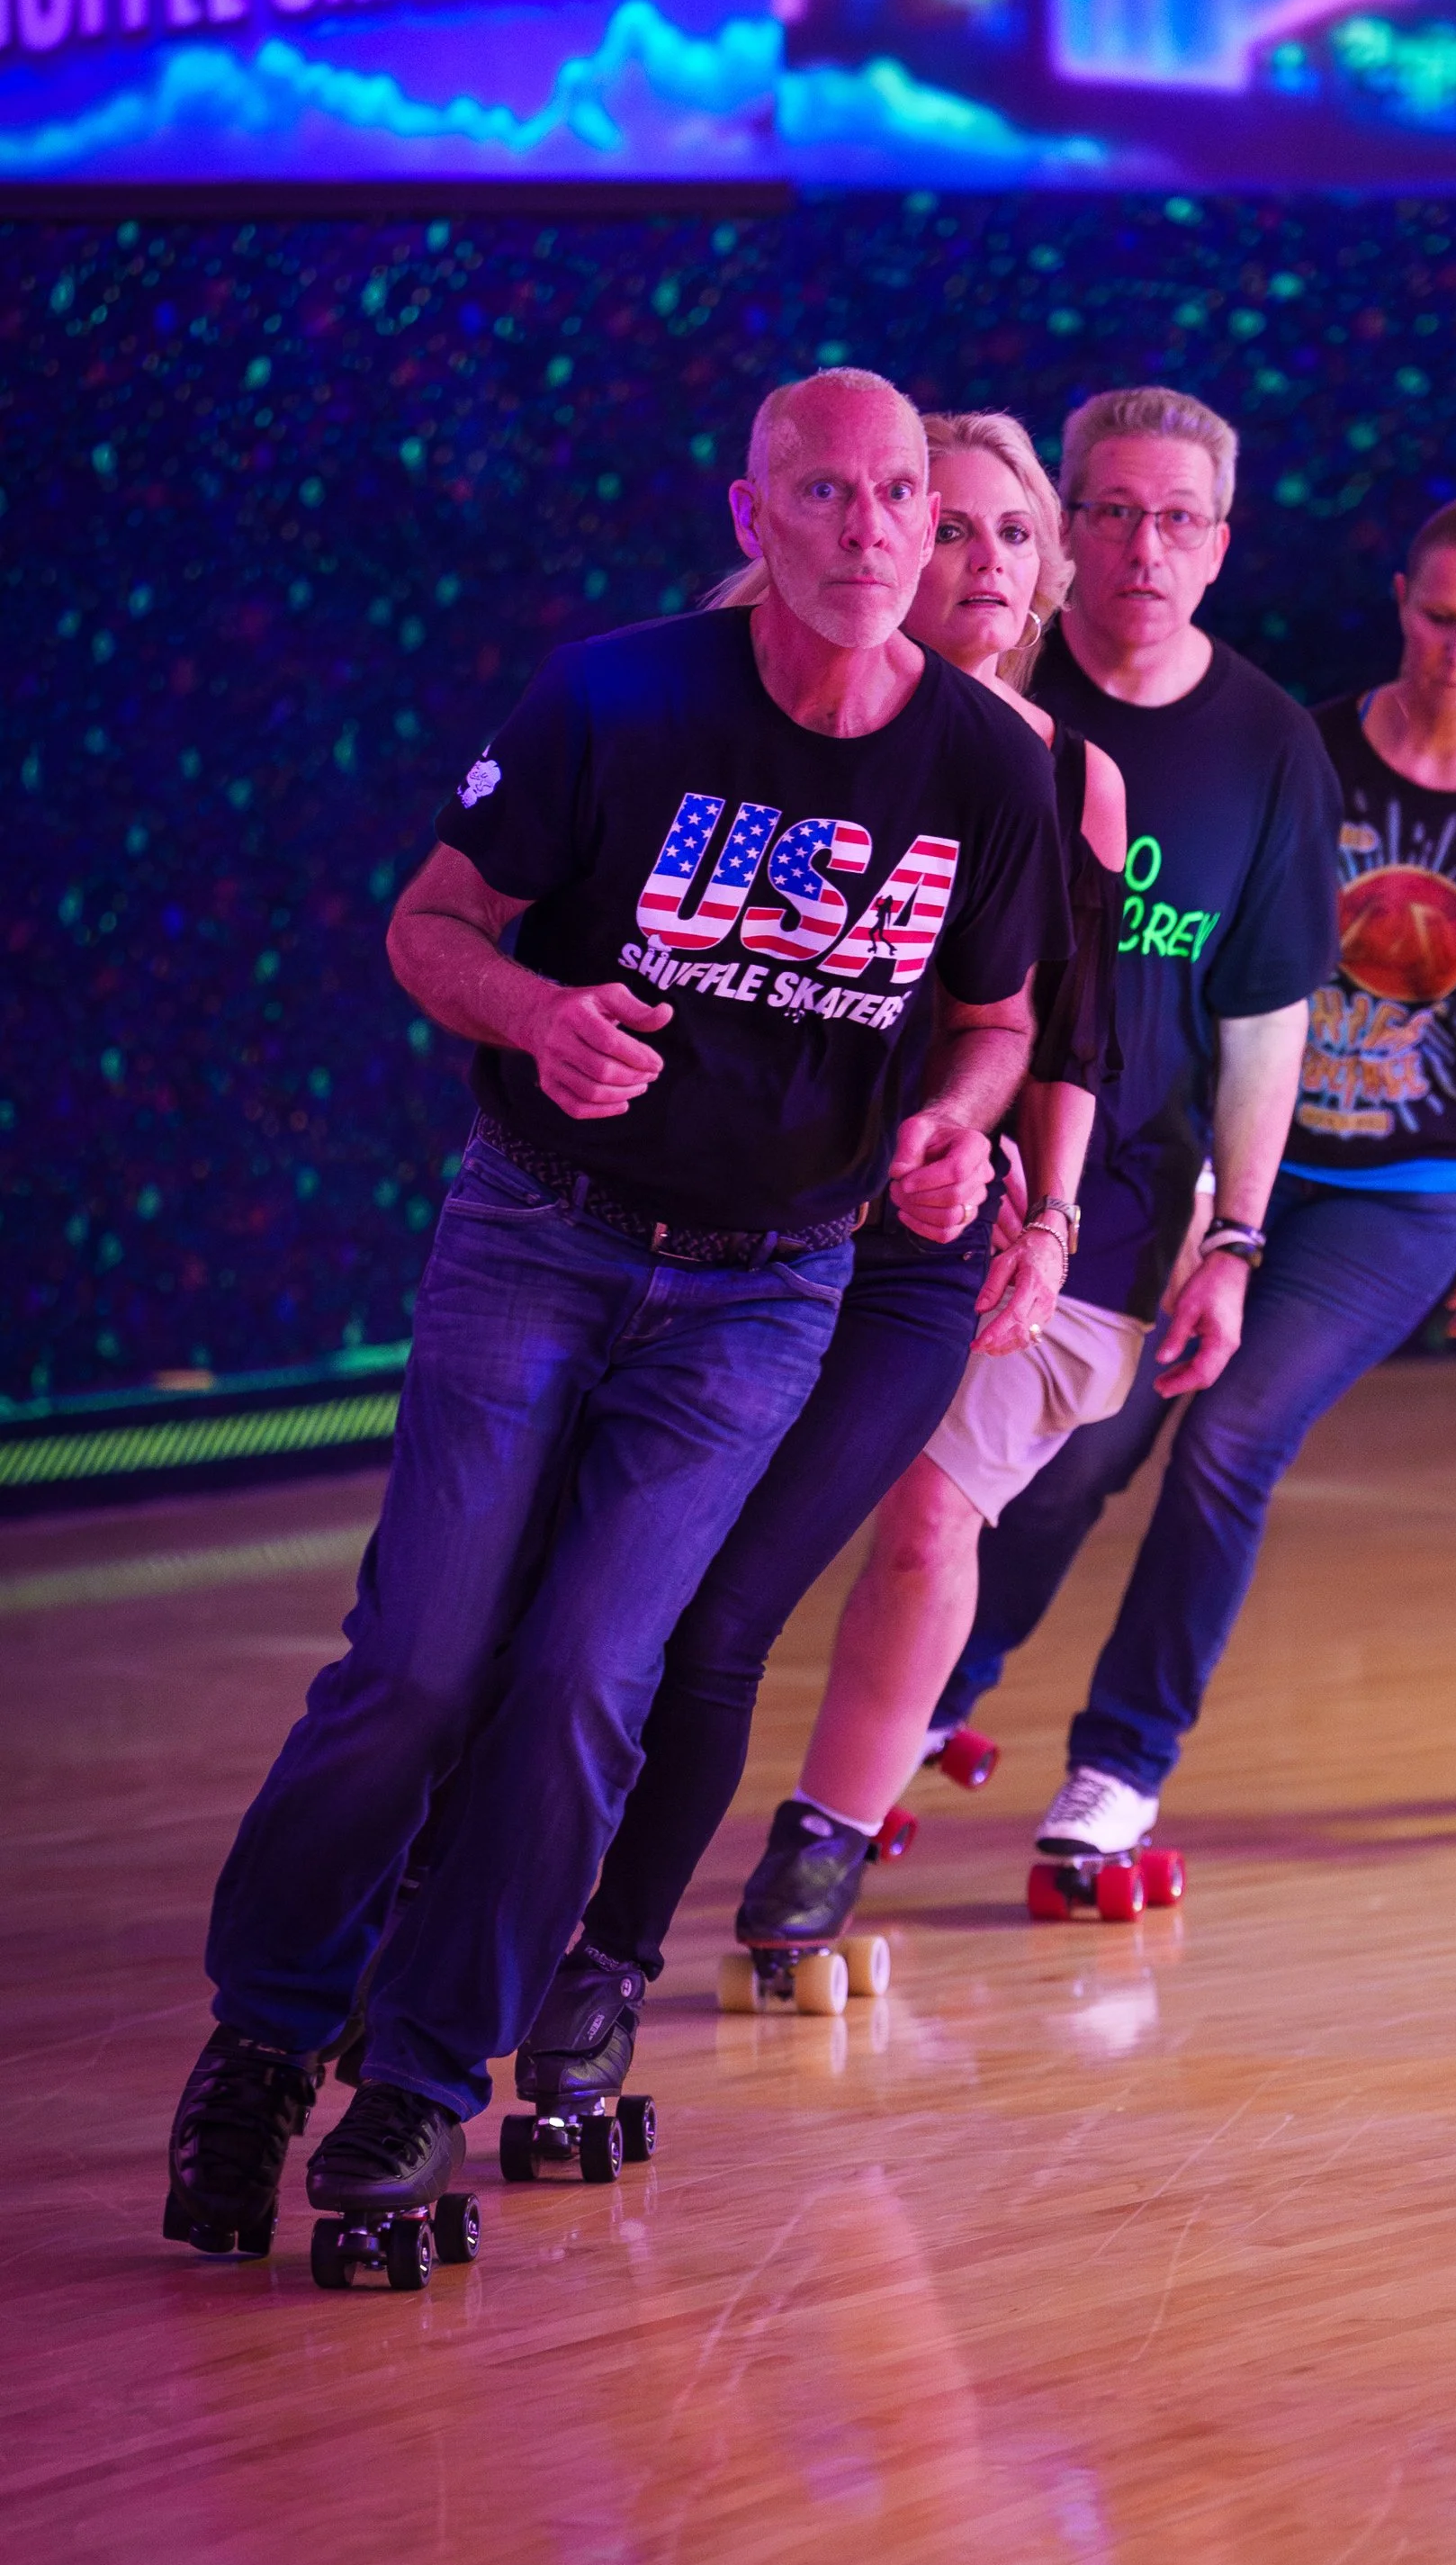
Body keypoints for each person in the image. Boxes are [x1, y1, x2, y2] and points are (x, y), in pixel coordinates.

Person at [164, 368, 1071, 2263]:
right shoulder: (613, 699)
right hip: (537, 1237)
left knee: (591, 1678)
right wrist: (538, 1017)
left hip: (764, 1289)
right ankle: (263, 2032)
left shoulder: (989, 766)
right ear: (752, 522)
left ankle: (420, 2077)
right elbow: (431, 926)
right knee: (420, 1661)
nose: (870, 531)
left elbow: (995, 1023)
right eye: (822, 496)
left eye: (900, 493)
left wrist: (948, 1130)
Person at [532, 409, 1130, 2031]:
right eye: (953, 528)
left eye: (1015, 535)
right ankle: (471, 1911)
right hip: (703, 1217)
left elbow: (1064, 1037)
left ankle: (616, 1957)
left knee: (726, 1607)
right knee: (584, 1596)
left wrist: (1052, 1214)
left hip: (905, 1251)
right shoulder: (717, 703)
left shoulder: (1065, 772)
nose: (985, 565)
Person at [935, 497, 1456, 1860]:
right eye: (1437, 614)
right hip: (1221, 1160)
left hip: (1405, 1193)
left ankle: (1121, 1764)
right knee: (1078, 1442)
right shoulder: (1298, 749)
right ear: (1399, 602)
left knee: (1230, 1441)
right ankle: (935, 1693)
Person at [918, 384, 1350, 1870]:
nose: (1142, 549)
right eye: (1109, 513)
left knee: (1062, 1482)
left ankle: (936, 1710)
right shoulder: (983, 687)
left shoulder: (1273, 745)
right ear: (1062, 534)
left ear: (1218, 546)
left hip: (1117, 1215)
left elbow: (1264, 1024)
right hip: (913, 1182)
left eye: (1177, 520)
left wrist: (1233, 1237)